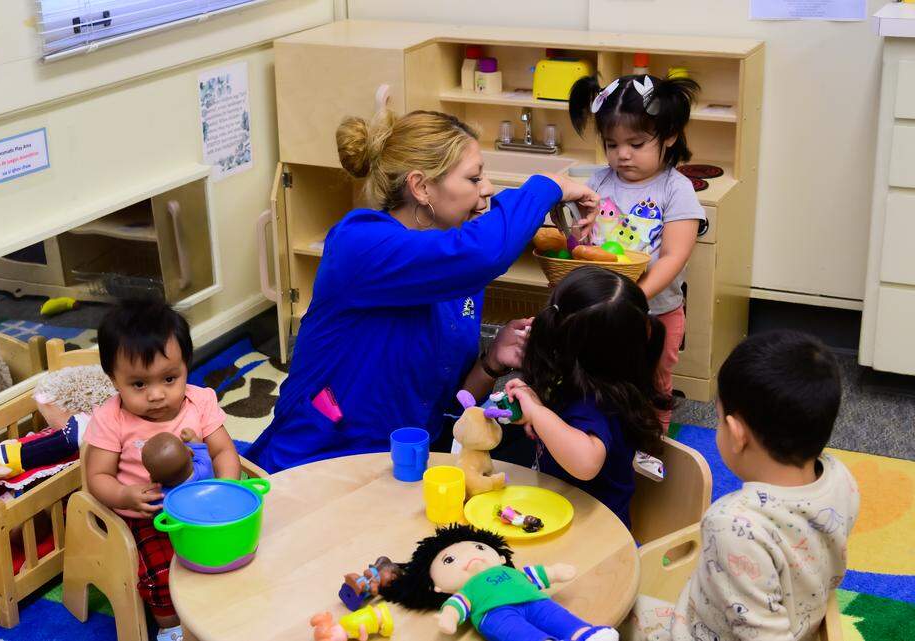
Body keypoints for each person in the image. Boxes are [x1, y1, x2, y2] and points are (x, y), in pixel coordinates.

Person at [247, 109, 599, 473]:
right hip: (321, 456)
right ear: (421, 187)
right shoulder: (361, 243)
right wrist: (547, 185)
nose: (488, 188)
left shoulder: (454, 271)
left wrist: (491, 363)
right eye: (474, 177)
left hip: (405, 463)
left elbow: (447, 404)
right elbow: (485, 253)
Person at [624, 330, 860, 641]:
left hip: (693, 632)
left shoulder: (730, 523)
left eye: (719, 418)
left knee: (608, 610)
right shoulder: (839, 477)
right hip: (801, 618)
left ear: (737, 434)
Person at [84, 299, 241, 641]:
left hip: (202, 500)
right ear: (113, 379)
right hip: (148, 513)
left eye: (170, 378)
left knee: (235, 547)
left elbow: (224, 450)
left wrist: (227, 487)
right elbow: (96, 476)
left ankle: (223, 602)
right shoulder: (111, 419)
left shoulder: (200, 402)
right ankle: (171, 627)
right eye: (139, 384)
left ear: (186, 366)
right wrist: (125, 495)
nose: (157, 395)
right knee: (161, 569)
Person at [568, 73, 704, 429]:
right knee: (603, 377)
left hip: (655, 314)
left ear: (670, 135)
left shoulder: (677, 189)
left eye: (636, 143)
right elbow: (585, 243)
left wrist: (634, 296)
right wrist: (578, 233)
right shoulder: (598, 181)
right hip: (603, 311)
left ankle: (653, 443)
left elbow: (675, 255)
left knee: (654, 383)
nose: (622, 155)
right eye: (612, 144)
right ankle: (603, 438)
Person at [503, 267, 668, 528]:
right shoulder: (590, 383)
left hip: (596, 536)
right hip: (562, 512)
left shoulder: (597, 402)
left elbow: (586, 463)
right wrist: (533, 408)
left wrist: (538, 413)